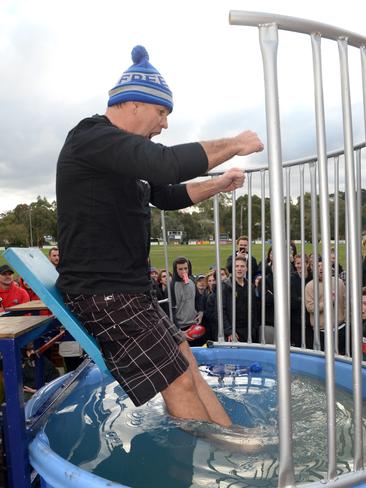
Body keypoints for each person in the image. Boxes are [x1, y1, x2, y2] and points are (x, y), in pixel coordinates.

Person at [56, 45, 263, 427]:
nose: (165, 124)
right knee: (179, 382)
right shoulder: (92, 138)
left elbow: (166, 195)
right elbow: (166, 164)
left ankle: (237, 442)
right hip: (103, 291)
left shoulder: (121, 157)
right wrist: (234, 144)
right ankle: (221, 461)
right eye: (162, 112)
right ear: (134, 104)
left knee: (187, 361)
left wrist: (217, 185)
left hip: (129, 289)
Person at [305, 258, 346, 354]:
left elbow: (346, 303)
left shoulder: (339, 282)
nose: (320, 268)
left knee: (343, 359)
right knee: (324, 361)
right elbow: (310, 308)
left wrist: (347, 321)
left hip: (341, 329)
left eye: (323, 265)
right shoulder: (310, 286)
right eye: (317, 266)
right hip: (322, 332)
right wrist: (327, 302)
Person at [222, 256, 258, 342]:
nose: (239, 269)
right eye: (236, 266)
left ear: (246, 269)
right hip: (233, 332)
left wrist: (254, 329)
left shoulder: (250, 286)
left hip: (248, 331)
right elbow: (221, 310)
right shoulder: (226, 286)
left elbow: (254, 309)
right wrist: (229, 331)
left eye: (242, 266)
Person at [171, 257, 205, 346]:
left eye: (185, 268)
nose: (183, 271)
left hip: (194, 324)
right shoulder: (171, 286)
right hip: (181, 328)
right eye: (180, 269)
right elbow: (170, 311)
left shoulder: (192, 281)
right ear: (175, 270)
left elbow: (198, 298)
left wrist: (200, 312)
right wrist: (179, 331)